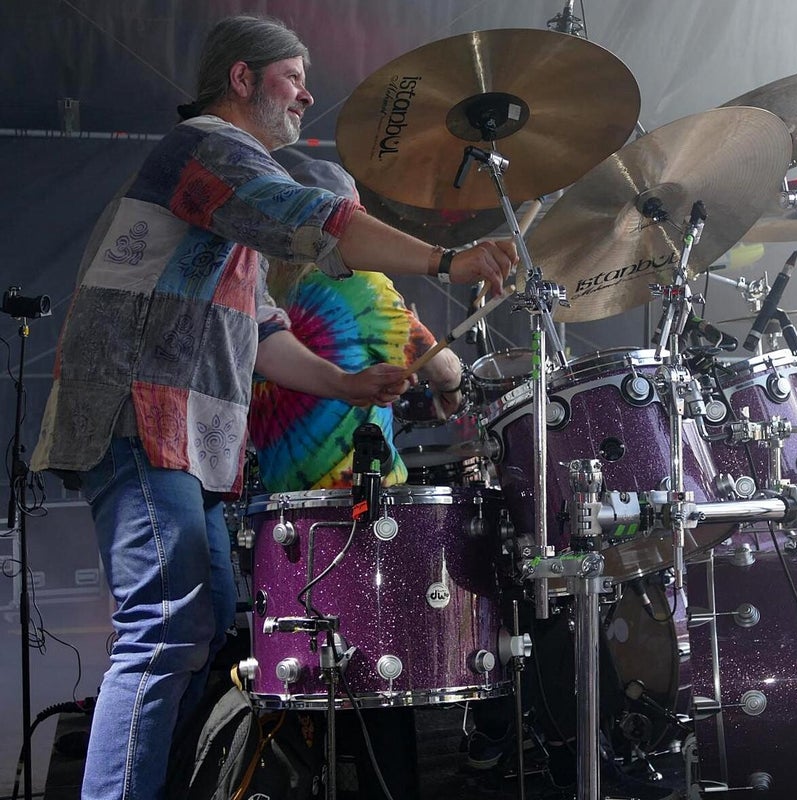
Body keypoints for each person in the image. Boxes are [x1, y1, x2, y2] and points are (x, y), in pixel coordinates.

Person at [29, 15, 516, 800]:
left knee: (206, 619)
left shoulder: (226, 206)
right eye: (293, 77)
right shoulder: (209, 148)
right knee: (166, 625)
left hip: (181, 436)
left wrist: (345, 384)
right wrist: (447, 259)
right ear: (242, 79)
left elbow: (259, 330)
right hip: (139, 414)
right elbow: (320, 222)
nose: (307, 95)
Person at [247, 157, 464, 492]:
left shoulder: (255, 290)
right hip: (356, 497)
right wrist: (452, 390)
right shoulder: (360, 285)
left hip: (279, 501)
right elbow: (439, 364)